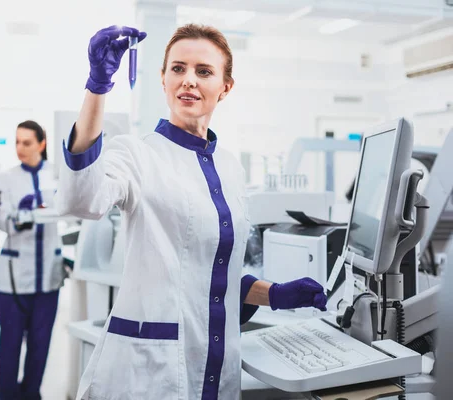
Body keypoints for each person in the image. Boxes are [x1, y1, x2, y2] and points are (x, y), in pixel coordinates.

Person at [56, 25, 328, 400]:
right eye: (178, 69)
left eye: (203, 71)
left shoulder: (230, 168)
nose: (188, 81)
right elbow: (80, 201)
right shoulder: (137, 153)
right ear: (163, 79)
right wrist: (97, 87)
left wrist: (276, 295)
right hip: (149, 372)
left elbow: (213, 275)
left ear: (225, 87)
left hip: (216, 363)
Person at [0, 120, 64, 400]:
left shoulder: (57, 174)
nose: (20, 148)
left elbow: (69, 211)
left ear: (41, 144)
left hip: (48, 277)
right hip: (11, 278)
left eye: (27, 143)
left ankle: (31, 394)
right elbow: (0, 219)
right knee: (9, 345)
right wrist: (16, 218)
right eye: (17, 142)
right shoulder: (7, 178)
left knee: (40, 344)